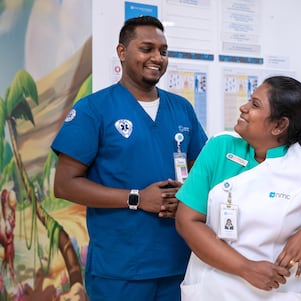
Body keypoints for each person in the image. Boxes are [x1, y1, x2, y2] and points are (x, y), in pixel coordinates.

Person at [175, 76, 301, 301]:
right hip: (211, 289)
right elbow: (187, 221)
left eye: (255, 105)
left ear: (279, 125)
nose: (243, 108)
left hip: (272, 294)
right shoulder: (220, 146)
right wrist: (245, 267)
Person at [51, 16, 208, 301]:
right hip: (121, 269)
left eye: (163, 51)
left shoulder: (181, 109)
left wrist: (187, 194)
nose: (157, 58)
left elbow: (203, 172)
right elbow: (64, 185)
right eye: (146, 49)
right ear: (122, 53)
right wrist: (136, 198)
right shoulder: (93, 109)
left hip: (179, 262)